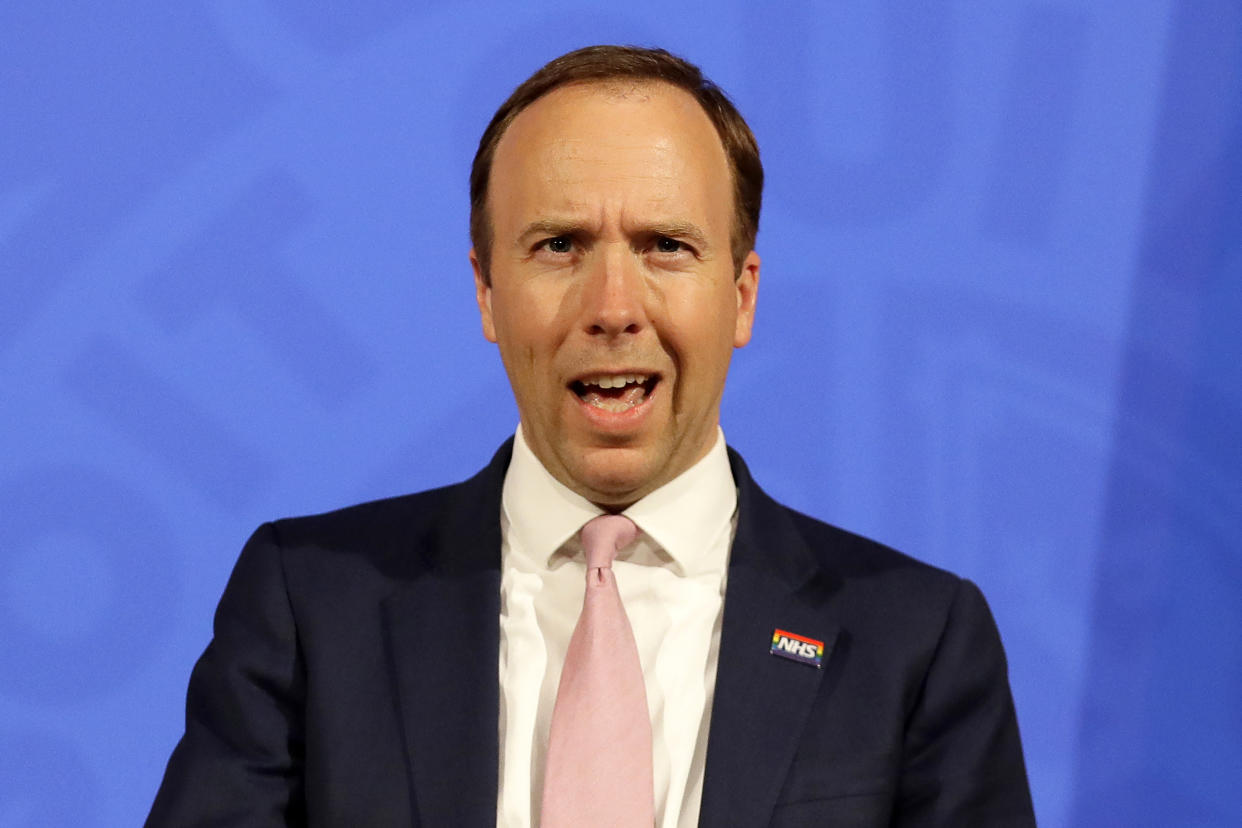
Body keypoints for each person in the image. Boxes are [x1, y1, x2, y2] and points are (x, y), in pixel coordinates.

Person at [148, 45, 1035, 827]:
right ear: (487, 291)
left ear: (742, 295)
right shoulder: (311, 604)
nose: (614, 308)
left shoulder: (916, 641)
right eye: (560, 245)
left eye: (666, 246)